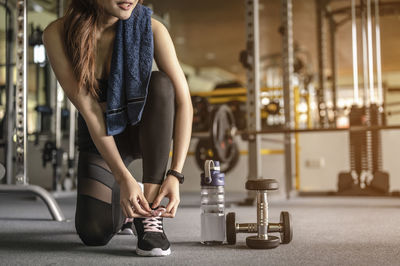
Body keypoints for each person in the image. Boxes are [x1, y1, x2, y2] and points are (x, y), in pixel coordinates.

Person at [42, 0, 193, 257]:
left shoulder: (153, 29)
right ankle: (126, 206)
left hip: (143, 131)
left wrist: (175, 174)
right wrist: (122, 177)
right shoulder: (57, 34)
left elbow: (184, 103)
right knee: (93, 234)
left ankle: (149, 217)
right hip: (100, 135)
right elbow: (90, 110)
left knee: (161, 85)